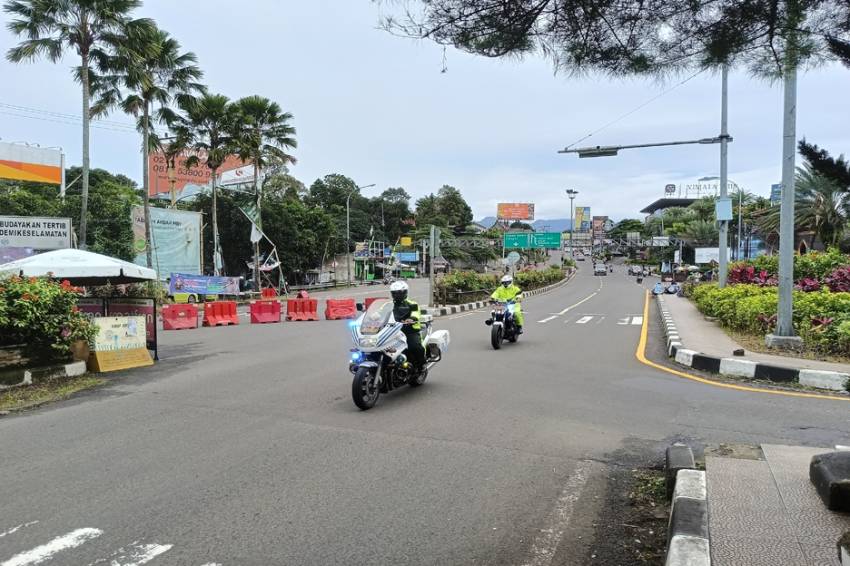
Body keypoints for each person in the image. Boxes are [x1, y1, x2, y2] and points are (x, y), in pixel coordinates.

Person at [390, 280, 426, 372]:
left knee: (415, 347)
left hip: (410, 331)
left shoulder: (412, 304)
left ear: (405, 292)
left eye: (399, 293)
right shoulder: (389, 305)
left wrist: (412, 319)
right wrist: (374, 316)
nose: (397, 295)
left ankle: (421, 366)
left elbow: (416, 313)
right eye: (395, 293)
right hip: (393, 332)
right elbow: (380, 312)